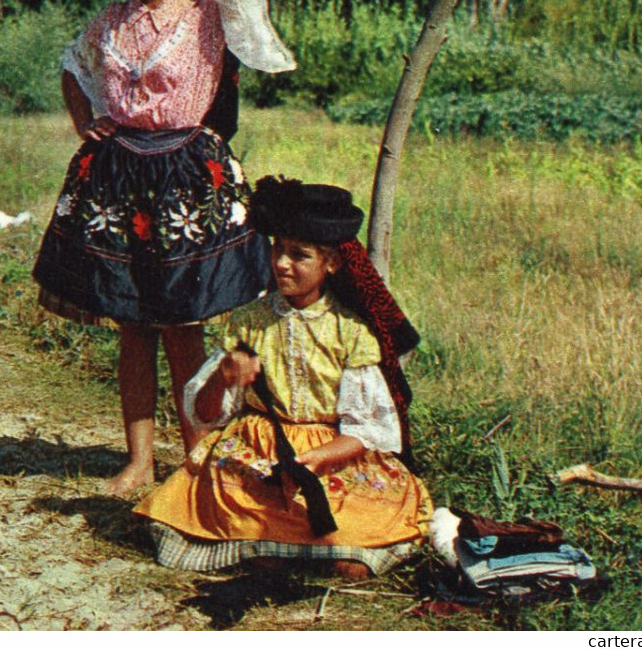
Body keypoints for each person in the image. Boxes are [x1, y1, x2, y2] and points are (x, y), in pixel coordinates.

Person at [32, 0, 296, 497]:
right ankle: (138, 461)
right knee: (131, 325)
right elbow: (71, 67)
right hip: (117, 177)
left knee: (182, 325)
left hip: (183, 177)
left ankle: (196, 456)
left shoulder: (208, 18)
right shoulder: (111, 22)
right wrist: (84, 122)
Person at [135, 178, 431, 578]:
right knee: (236, 512)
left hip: (332, 452)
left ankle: (297, 550)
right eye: (277, 249)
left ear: (332, 263)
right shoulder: (248, 322)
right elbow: (204, 416)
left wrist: (316, 458)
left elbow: (367, 428)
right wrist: (223, 378)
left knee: (352, 546)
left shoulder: (351, 331)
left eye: (299, 255)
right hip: (260, 447)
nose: (281, 263)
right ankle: (275, 551)